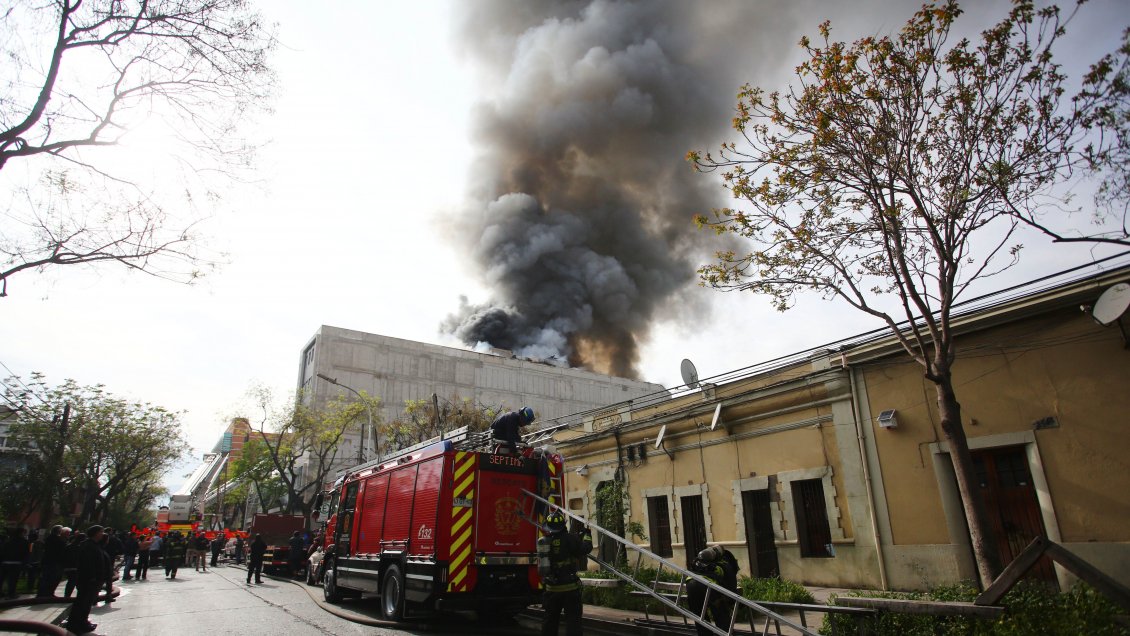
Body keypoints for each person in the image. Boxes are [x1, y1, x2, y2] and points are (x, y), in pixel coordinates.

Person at [537, 509, 592, 636]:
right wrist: (587, 535)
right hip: (570, 588)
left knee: (550, 621)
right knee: (573, 621)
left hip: (552, 589)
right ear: (563, 525)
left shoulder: (545, 541)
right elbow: (585, 548)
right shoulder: (570, 539)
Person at [686, 545, 740, 636]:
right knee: (721, 614)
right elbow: (731, 586)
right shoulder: (724, 565)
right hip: (708, 587)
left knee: (699, 616)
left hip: (691, 585)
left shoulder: (697, 563)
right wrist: (731, 600)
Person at [65, 525, 106, 635]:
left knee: (86, 603)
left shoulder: (93, 545)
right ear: (95, 533)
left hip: (92, 579)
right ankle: (76, 625)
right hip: (88, 580)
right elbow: (88, 564)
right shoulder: (88, 546)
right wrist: (92, 577)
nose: (102, 534)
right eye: (101, 532)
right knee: (82, 602)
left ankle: (83, 622)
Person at [37, 525, 66, 598]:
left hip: (47, 560)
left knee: (45, 578)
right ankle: (48, 593)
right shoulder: (58, 540)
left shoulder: (48, 538)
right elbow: (61, 551)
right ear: (59, 531)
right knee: (53, 578)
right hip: (55, 561)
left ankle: (42, 593)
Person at [0, 527, 30, 598]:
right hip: (16, 563)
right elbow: (26, 553)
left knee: (2, 579)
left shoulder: (8, 541)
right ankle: (11, 594)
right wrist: (25, 563)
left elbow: (3, 551)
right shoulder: (24, 542)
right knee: (13, 580)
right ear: (22, 533)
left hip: (5, 562)